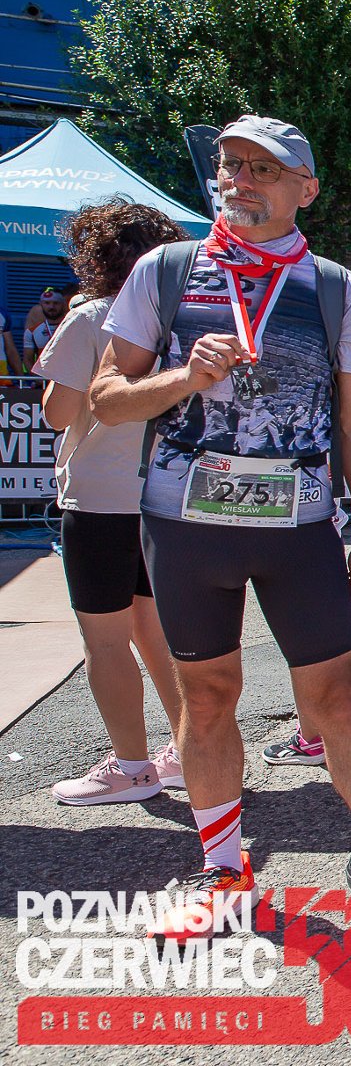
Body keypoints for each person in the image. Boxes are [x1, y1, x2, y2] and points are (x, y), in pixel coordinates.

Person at [89, 115, 351, 944]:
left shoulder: (334, 286)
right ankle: (223, 872)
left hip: (297, 525)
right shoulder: (167, 270)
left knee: (334, 700)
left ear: (304, 189)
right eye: (231, 164)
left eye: (263, 169)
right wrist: (183, 376)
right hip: (185, 524)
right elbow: (105, 400)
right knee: (207, 696)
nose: (241, 179)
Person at [34, 201, 186, 806]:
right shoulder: (182, 316)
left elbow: (58, 413)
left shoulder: (92, 317)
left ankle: (132, 766)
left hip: (100, 500)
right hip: (167, 496)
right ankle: (189, 752)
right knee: (161, 635)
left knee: (105, 640)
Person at [23, 286, 69, 372]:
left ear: (63, 304)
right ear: (41, 304)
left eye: (56, 303)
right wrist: (36, 378)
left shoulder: (72, 328)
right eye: (47, 303)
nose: (51, 307)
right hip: (42, 378)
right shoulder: (31, 332)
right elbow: (27, 359)